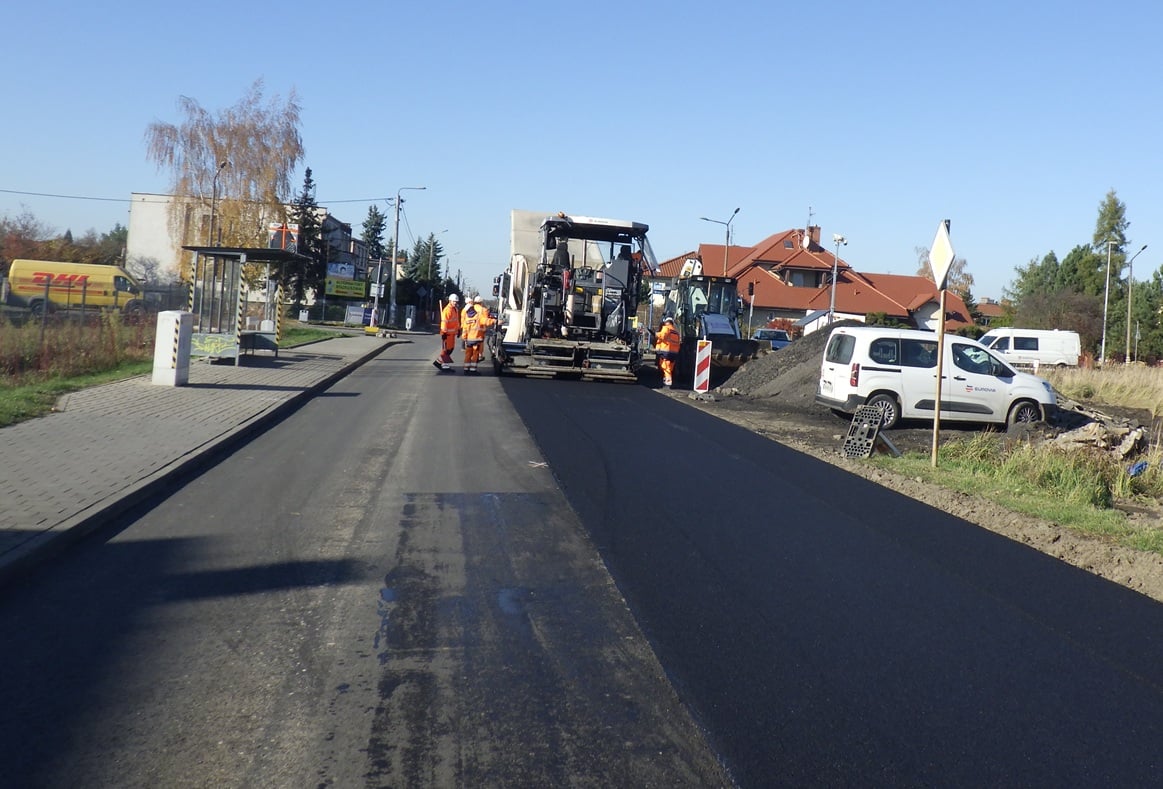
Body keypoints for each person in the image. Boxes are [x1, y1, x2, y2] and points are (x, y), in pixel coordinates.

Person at [434, 293, 460, 371]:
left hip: (452, 334)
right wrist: (444, 332)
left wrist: (458, 329)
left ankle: (438, 362)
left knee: (450, 349)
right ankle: (444, 365)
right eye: (454, 301)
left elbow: (456, 321)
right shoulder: (447, 310)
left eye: (456, 301)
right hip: (447, 333)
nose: (455, 303)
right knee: (447, 350)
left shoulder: (455, 309)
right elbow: (444, 322)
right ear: (450, 301)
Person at [654, 316, 681, 388]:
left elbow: (662, 336)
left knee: (664, 365)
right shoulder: (676, 332)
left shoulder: (666, 328)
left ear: (666, 322)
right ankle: (666, 378)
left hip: (666, 351)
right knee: (670, 366)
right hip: (674, 352)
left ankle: (668, 380)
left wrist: (656, 334)